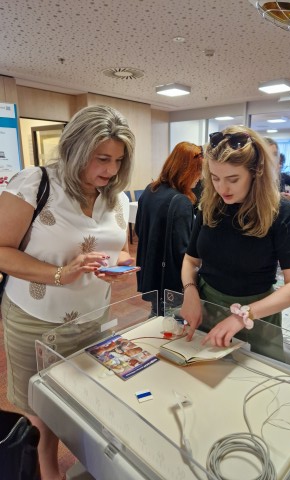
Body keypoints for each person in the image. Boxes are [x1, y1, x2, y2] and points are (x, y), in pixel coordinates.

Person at [0, 104, 136, 480]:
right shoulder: (35, 183)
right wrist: (60, 274)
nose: (110, 170)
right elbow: (1, 249)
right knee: (41, 408)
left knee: (84, 396)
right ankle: (47, 469)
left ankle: (86, 458)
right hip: (36, 318)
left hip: (94, 316)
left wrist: (117, 265)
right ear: (75, 148)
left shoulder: (116, 196)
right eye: (101, 158)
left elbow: (116, 248)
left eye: (118, 160)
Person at [179, 126, 290, 359]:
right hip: (207, 307)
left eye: (233, 179)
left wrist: (244, 315)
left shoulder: (281, 212)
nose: (222, 188)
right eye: (215, 178)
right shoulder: (210, 205)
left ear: (255, 172)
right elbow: (190, 260)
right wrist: (190, 292)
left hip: (257, 315)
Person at [135, 142, 203, 314]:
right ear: (188, 171)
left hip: (149, 270)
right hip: (170, 278)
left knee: (157, 316)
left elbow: (138, 229)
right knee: (171, 322)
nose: (200, 177)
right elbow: (183, 249)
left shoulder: (150, 190)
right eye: (198, 171)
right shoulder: (181, 201)